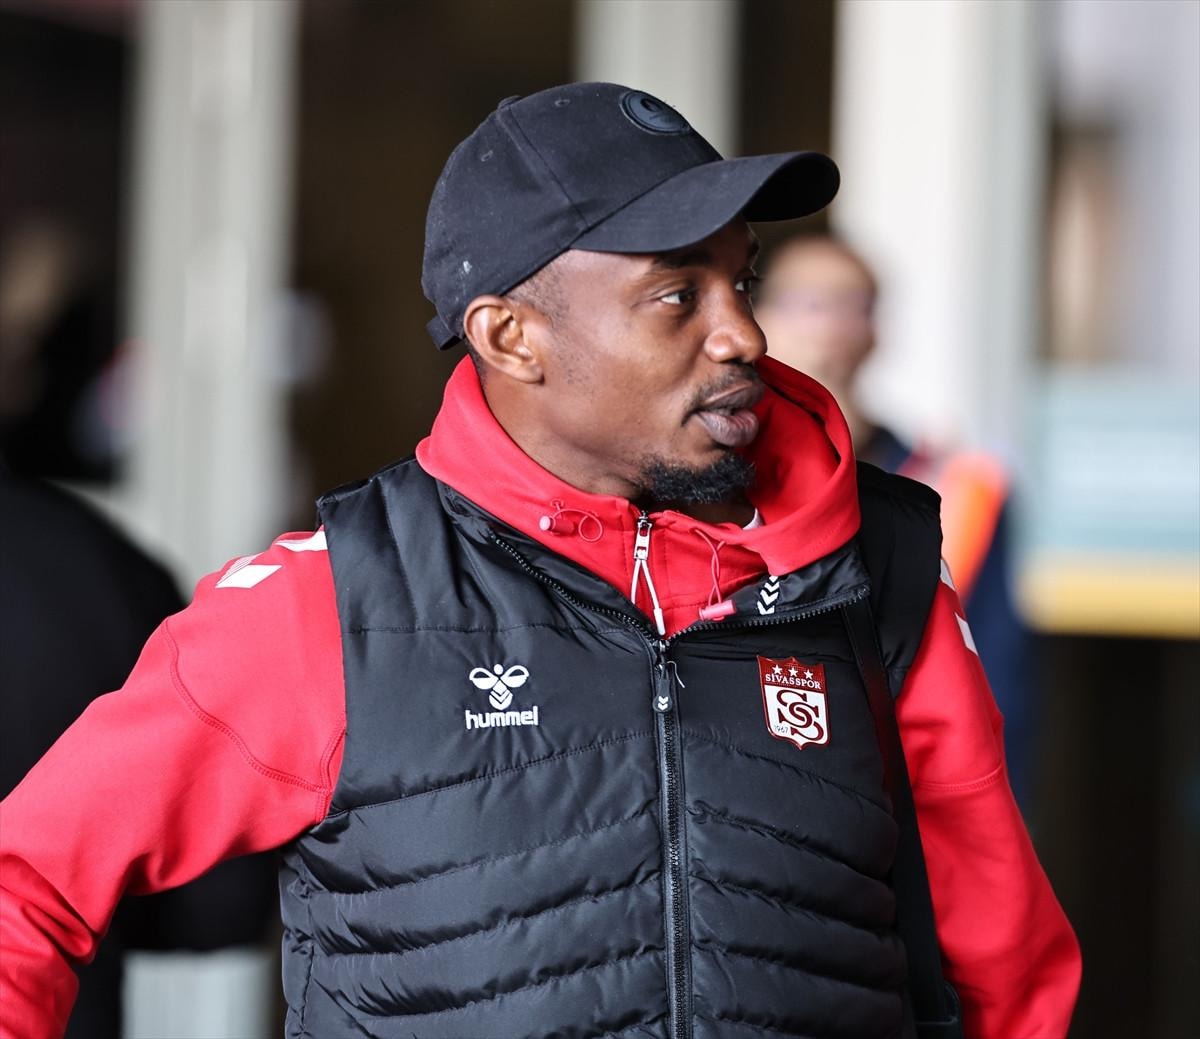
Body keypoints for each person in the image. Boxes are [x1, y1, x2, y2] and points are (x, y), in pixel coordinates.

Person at [0, 83, 1079, 1039]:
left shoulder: (872, 561)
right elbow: (28, 879)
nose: (742, 335)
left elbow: (1004, 963)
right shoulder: (333, 599)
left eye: (740, 282)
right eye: (677, 295)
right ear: (512, 337)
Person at [756, 234, 1036, 807]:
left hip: (914, 796)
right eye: (811, 303)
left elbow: (1001, 679)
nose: (833, 327)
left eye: (856, 305)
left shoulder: (954, 488)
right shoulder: (714, 485)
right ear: (756, 318)